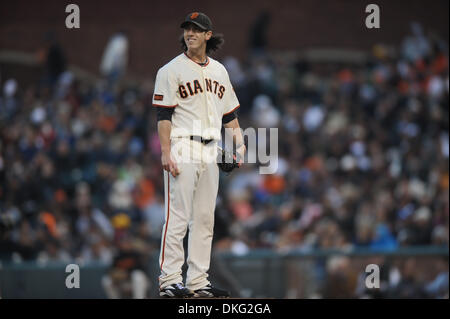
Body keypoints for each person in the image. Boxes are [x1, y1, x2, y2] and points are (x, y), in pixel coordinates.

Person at [152, 12, 246, 298]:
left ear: (208, 35)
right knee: (177, 216)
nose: (190, 33)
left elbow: (230, 116)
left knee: (205, 219)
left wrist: (239, 147)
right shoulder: (170, 70)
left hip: (210, 149)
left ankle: (197, 281)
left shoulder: (219, 71)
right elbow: (163, 115)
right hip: (182, 145)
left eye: (196, 29)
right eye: (187, 29)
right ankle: (169, 280)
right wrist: (166, 152)